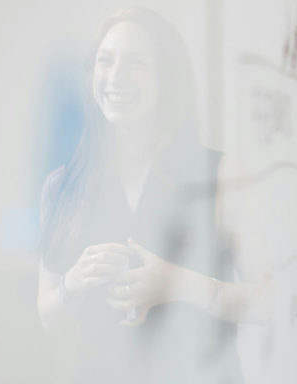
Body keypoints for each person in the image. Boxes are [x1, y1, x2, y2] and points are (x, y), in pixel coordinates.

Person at [36, 8, 254, 383]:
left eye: (136, 63)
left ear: (167, 78)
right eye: (106, 61)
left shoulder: (220, 175)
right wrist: (73, 282)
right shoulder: (62, 186)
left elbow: (269, 300)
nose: (116, 77)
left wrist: (179, 284)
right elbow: (47, 313)